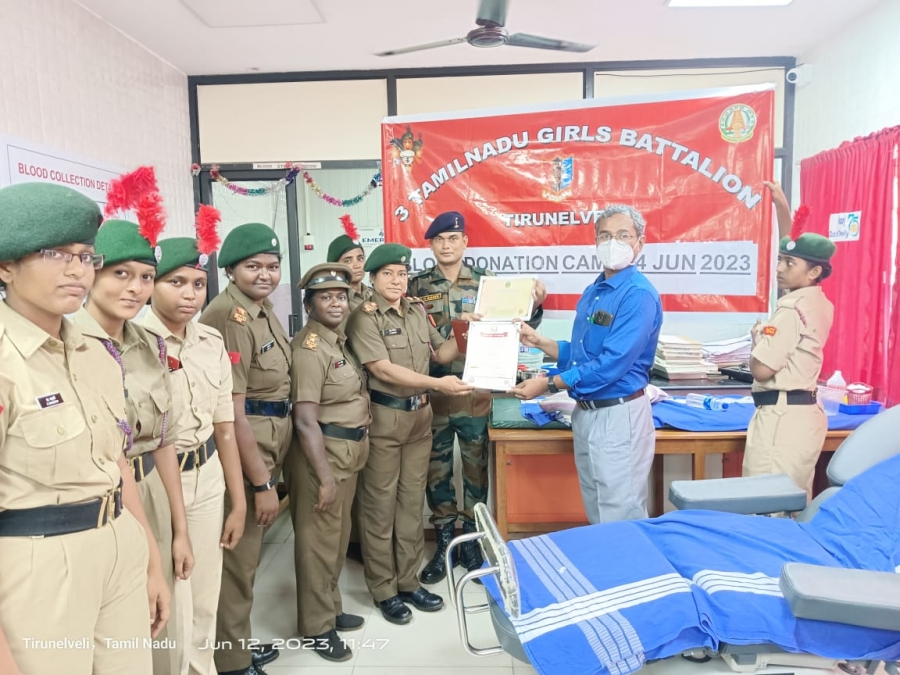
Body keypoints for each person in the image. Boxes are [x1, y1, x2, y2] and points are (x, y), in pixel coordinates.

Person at [0, 182, 169, 675]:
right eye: (55, 254)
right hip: (40, 566)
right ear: (6, 265)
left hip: (118, 541)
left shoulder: (95, 352)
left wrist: (149, 558)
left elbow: (117, 463)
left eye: (85, 256)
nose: (77, 270)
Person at [72, 216, 195, 675]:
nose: (135, 288)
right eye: (120, 274)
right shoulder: (69, 346)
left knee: (164, 618)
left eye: (145, 277)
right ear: (91, 274)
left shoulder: (149, 346)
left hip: (153, 493)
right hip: (103, 503)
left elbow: (164, 441)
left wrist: (180, 528)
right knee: (120, 631)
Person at [408, 210, 547, 584]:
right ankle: (444, 539)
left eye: (453, 239)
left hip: (476, 389)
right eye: (439, 240)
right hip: (434, 390)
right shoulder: (416, 286)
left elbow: (522, 325)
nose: (447, 245)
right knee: (435, 471)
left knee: (475, 469)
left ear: (465, 242)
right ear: (432, 245)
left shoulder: (488, 284)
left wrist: (533, 305)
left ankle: (470, 539)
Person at [345, 243, 472, 625]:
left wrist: (471, 330)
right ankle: (384, 589)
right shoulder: (363, 316)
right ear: (373, 278)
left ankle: (408, 580)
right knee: (379, 507)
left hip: (420, 420)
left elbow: (442, 355)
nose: (397, 281)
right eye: (388, 274)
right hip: (385, 419)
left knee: (411, 504)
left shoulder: (417, 310)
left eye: (402, 274)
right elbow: (382, 369)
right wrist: (438, 384)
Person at [511, 204, 662, 524]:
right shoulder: (594, 292)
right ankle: (609, 573)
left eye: (623, 236)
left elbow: (611, 364)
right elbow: (580, 355)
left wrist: (549, 384)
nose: (613, 243)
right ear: (594, 241)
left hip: (618, 415)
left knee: (621, 512)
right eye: (605, 235)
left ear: (640, 242)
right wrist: (539, 342)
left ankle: (631, 574)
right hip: (587, 413)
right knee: (597, 508)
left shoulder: (637, 295)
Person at [143, 224, 249, 675]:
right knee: (169, 602)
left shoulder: (209, 340)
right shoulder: (132, 343)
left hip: (206, 476)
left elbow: (224, 426)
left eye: (198, 284)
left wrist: (238, 499)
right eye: (176, 282)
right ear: (153, 285)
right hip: (154, 480)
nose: (189, 294)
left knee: (205, 594)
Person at [199, 222, 292, 675]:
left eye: (272, 266)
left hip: (268, 438)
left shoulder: (261, 309)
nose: (265, 274)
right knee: (237, 562)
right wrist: (261, 483)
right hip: (246, 447)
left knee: (247, 559)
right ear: (232, 269)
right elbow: (232, 414)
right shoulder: (228, 316)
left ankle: (236, 643)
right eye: (253, 266)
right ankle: (231, 662)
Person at [285, 263, 369, 662]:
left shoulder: (338, 341)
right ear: (309, 304)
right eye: (325, 297)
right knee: (317, 545)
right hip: (323, 460)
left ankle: (330, 609)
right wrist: (324, 478)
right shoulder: (310, 349)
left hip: (345, 455)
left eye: (341, 296)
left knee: (335, 540)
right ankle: (316, 627)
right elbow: (304, 419)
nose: (336, 303)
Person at [745, 233, 836, 498]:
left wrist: (757, 342)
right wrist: (782, 209)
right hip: (803, 415)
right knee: (792, 501)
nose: (779, 269)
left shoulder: (791, 310)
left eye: (789, 263)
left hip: (781, 419)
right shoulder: (818, 302)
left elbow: (761, 370)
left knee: (765, 505)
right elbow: (793, 239)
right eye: (779, 260)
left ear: (814, 271)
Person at [327, 214, 375, 311]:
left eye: (360, 258)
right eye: (348, 261)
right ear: (335, 266)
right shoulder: (333, 301)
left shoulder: (373, 294)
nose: (357, 265)